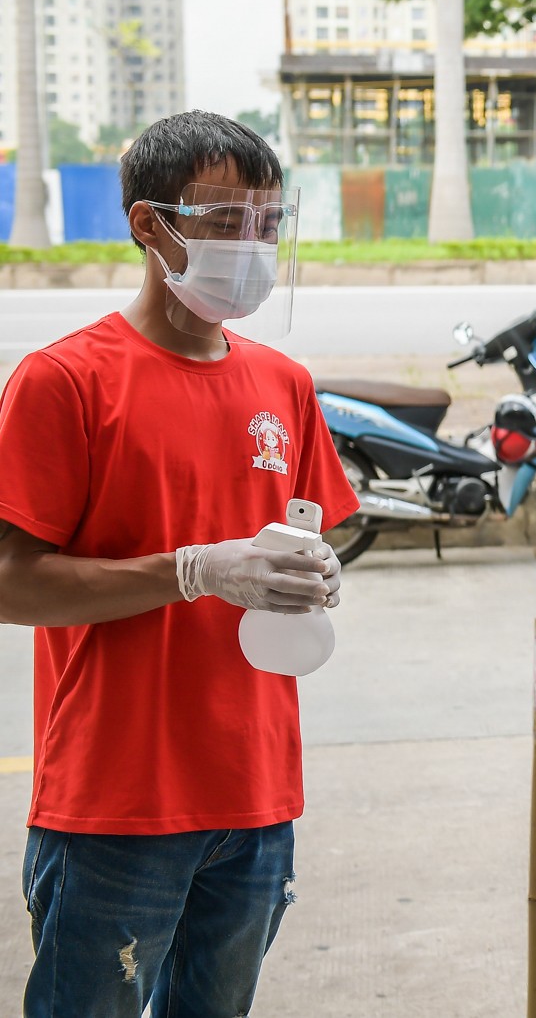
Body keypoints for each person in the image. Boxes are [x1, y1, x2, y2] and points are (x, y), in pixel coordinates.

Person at [0, 112, 358, 1018]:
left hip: (256, 793)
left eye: (269, 223)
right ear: (147, 224)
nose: (252, 245)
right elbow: (10, 582)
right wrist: (193, 569)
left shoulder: (285, 384)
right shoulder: (65, 381)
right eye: (225, 220)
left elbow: (316, 532)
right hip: (116, 802)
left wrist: (313, 574)